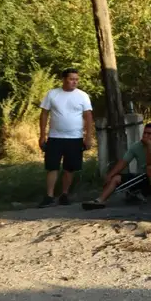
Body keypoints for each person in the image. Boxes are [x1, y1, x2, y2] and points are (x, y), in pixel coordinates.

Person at [38, 68, 93, 207]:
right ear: (64, 79)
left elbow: (88, 116)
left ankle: (64, 194)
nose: (74, 82)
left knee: (70, 168)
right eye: (71, 79)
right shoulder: (52, 94)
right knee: (52, 166)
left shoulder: (82, 96)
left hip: (75, 137)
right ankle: (49, 196)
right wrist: (42, 135)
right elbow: (44, 114)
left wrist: (88, 137)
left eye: (76, 79)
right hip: (55, 136)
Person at [82, 123, 151, 210]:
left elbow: (150, 162)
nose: (145, 136)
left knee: (150, 167)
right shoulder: (136, 146)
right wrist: (110, 176)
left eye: (149, 134)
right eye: (144, 133)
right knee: (117, 177)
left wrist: (149, 146)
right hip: (142, 177)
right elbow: (123, 162)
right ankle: (100, 200)